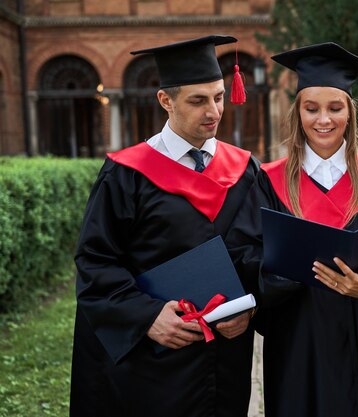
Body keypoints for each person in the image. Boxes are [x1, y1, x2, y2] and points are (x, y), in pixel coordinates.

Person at [70, 35, 260, 417]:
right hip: (153, 363)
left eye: (219, 97)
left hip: (224, 361)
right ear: (165, 101)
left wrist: (252, 308)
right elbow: (95, 262)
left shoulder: (245, 170)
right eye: (198, 100)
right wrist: (146, 317)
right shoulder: (127, 174)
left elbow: (261, 252)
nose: (214, 111)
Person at [226, 42, 358, 417]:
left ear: (350, 113)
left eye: (334, 108)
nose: (323, 120)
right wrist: (287, 272)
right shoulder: (268, 181)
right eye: (311, 109)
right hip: (296, 343)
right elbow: (242, 255)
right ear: (297, 114)